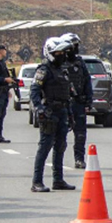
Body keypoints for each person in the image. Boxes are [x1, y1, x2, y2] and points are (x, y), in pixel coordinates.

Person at [29, 37, 77, 193]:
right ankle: (37, 182)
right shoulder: (44, 70)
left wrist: (70, 115)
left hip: (62, 111)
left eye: (63, 52)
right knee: (45, 147)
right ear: (50, 53)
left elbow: (67, 95)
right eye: (58, 53)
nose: (61, 55)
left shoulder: (62, 70)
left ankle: (58, 179)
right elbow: (34, 91)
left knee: (61, 146)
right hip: (49, 111)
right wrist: (39, 109)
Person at [59, 32, 93, 169]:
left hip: (78, 103)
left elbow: (87, 81)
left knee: (80, 134)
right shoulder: (59, 63)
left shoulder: (80, 62)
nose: (76, 48)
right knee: (60, 135)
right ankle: (58, 162)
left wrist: (88, 101)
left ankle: (79, 159)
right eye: (74, 46)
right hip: (63, 103)